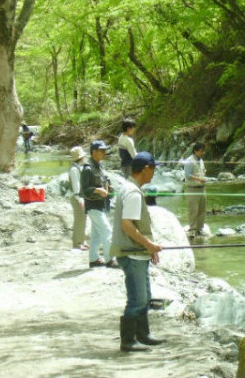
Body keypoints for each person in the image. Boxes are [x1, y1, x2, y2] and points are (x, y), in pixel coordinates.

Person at [110, 151, 165, 352]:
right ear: (145, 169)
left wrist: (148, 248)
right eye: (153, 169)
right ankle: (128, 342)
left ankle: (143, 335)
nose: (154, 174)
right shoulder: (133, 192)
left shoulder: (128, 187)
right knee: (137, 299)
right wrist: (150, 245)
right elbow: (127, 225)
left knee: (145, 296)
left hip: (136, 252)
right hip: (131, 254)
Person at [80, 140, 117, 268]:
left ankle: (94, 259)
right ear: (94, 152)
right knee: (107, 232)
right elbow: (84, 191)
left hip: (101, 205)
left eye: (104, 150)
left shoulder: (99, 166)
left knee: (96, 234)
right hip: (93, 206)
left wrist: (108, 189)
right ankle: (110, 260)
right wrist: (97, 190)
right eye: (101, 150)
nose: (104, 153)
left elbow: (105, 182)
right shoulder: (87, 169)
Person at [184, 142, 206, 239]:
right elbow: (187, 175)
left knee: (202, 209)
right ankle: (192, 230)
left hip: (202, 189)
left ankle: (200, 229)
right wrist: (199, 179)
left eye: (203, 151)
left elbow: (203, 171)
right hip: (192, 189)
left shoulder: (201, 161)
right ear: (195, 151)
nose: (202, 153)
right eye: (201, 151)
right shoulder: (189, 161)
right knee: (193, 210)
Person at [68, 146, 89, 251]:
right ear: (81, 158)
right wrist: (80, 200)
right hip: (77, 197)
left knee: (83, 219)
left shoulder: (77, 167)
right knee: (79, 220)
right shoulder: (74, 170)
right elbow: (76, 187)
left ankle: (82, 240)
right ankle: (77, 243)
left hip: (79, 197)